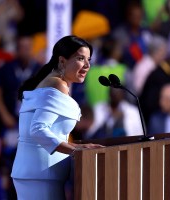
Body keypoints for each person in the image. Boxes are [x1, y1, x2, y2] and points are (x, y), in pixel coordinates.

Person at [10, 35, 103, 199]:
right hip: (41, 175)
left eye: (89, 59)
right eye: (81, 58)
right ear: (62, 61)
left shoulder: (53, 82)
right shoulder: (57, 84)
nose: (87, 65)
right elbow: (38, 130)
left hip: (36, 173)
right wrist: (76, 149)